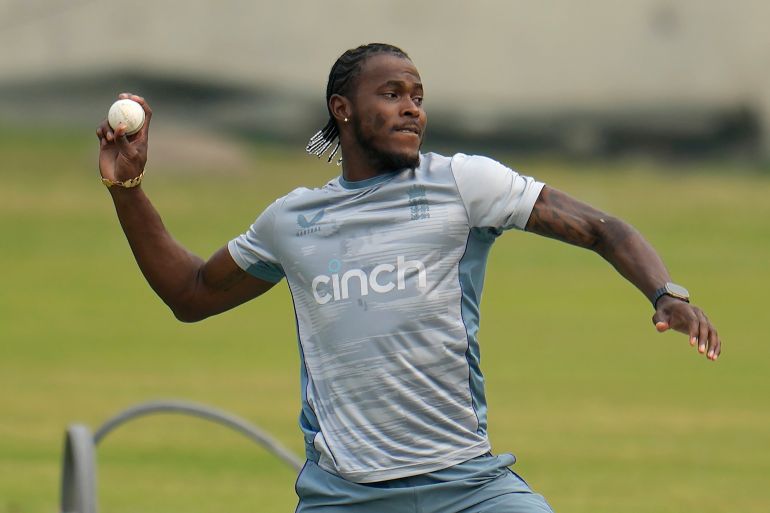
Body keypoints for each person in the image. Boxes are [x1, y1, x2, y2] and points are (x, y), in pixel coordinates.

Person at [96, 43, 721, 513]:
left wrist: (666, 293)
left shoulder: (463, 184)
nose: (411, 108)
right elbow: (192, 294)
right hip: (345, 495)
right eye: (392, 94)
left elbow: (602, 228)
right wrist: (127, 188)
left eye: (417, 96)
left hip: (467, 486)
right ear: (343, 110)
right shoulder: (293, 221)